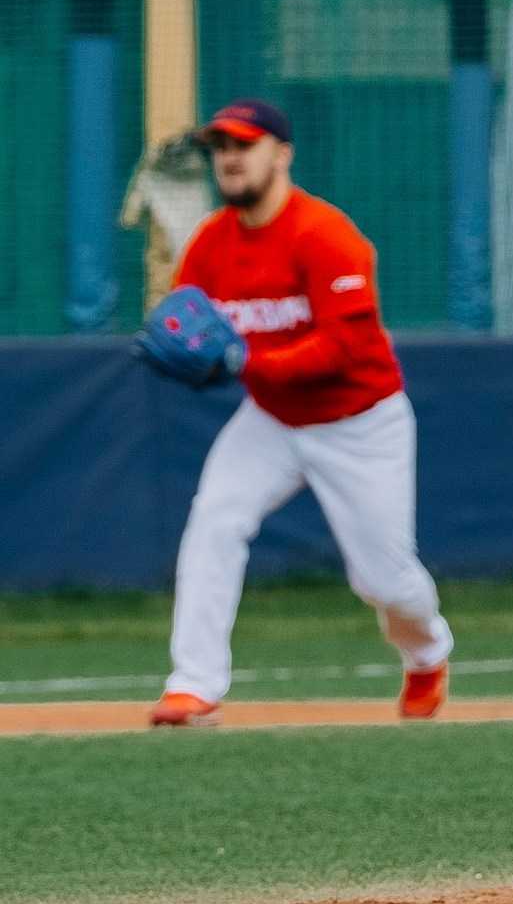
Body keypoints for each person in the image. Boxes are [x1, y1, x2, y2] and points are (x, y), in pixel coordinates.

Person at [148, 98, 453, 727]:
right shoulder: (211, 244)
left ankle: (427, 653)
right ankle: (194, 684)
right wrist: (184, 352)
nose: (229, 159)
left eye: (244, 145)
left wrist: (243, 364)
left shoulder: (325, 234)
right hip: (274, 419)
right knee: (214, 520)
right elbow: (188, 318)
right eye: (221, 148)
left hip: (360, 421)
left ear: (281, 154)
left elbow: (349, 348)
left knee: (384, 581)